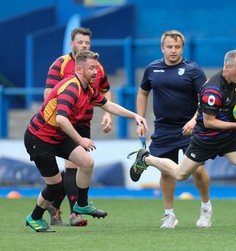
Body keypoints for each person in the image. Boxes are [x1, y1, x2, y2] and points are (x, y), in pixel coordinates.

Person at [130, 49, 236, 231]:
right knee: (180, 174)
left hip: (229, 138)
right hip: (206, 139)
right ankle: (146, 158)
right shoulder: (212, 90)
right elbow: (209, 123)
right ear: (227, 66)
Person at [24, 50, 147, 232]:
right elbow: (61, 119)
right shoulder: (71, 88)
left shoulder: (87, 89)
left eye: (96, 68)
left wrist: (134, 116)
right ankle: (34, 218)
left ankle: (80, 205)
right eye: (92, 68)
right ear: (80, 69)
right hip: (39, 138)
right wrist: (80, 139)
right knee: (56, 186)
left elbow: (108, 105)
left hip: (56, 136)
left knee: (87, 162)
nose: (96, 72)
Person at [135, 30, 212, 228]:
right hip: (163, 129)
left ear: (182, 48)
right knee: (166, 172)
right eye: (169, 47)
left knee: (198, 169)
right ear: (162, 48)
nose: (173, 51)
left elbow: (207, 98)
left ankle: (206, 207)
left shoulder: (193, 69)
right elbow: (143, 92)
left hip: (190, 129)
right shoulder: (152, 69)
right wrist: (140, 118)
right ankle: (169, 215)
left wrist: (196, 119)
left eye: (177, 47)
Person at [44, 27, 113, 227]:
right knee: (74, 165)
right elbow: (49, 94)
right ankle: (76, 213)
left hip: (84, 122)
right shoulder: (59, 64)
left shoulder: (96, 66)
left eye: (87, 43)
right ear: (71, 43)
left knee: (76, 166)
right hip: (65, 123)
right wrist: (60, 116)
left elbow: (105, 92)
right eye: (80, 42)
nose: (84, 45)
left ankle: (55, 205)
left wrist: (107, 114)